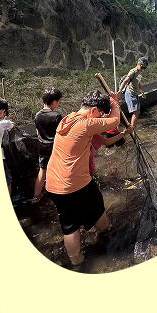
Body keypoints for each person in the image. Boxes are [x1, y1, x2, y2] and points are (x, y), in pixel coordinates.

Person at [45, 90, 121, 267]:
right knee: (97, 208)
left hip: (53, 184)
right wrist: (115, 102)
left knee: (69, 224)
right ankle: (106, 233)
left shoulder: (67, 119)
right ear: (94, 110)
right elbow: (115, 121)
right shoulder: (85, 124)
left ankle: (77, 261)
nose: (101, 118)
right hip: (74, 184)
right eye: (101, 114)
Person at [32, 88, 63, 202]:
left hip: (42, 147)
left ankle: (36, 196)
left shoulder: (38, 115)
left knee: (42, 171)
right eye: (58, 102)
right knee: (59, 171)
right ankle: (59, 194)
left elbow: (37, 131)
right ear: (54, 102)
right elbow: (62, 133)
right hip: (54, 148)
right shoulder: (56, 116)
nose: (58, 104)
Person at [118, 57, 149, 133]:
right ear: (138, 64)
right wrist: (120, 90)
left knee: (137, 112)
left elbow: (138, 83)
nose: (142, 69)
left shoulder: (139, 73)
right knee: (136, 112)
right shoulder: (133, 72)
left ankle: (132, 128)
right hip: (130, 93)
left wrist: (142, 92)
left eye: (144, 68)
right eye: (142, 67)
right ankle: (131, 128)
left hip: (135, 94)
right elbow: (125, 81)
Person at [0, 99, 15, 199]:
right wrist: (8, 120)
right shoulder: (3, 123)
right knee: (7, 179)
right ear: (1, 111)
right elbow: (12, 125)